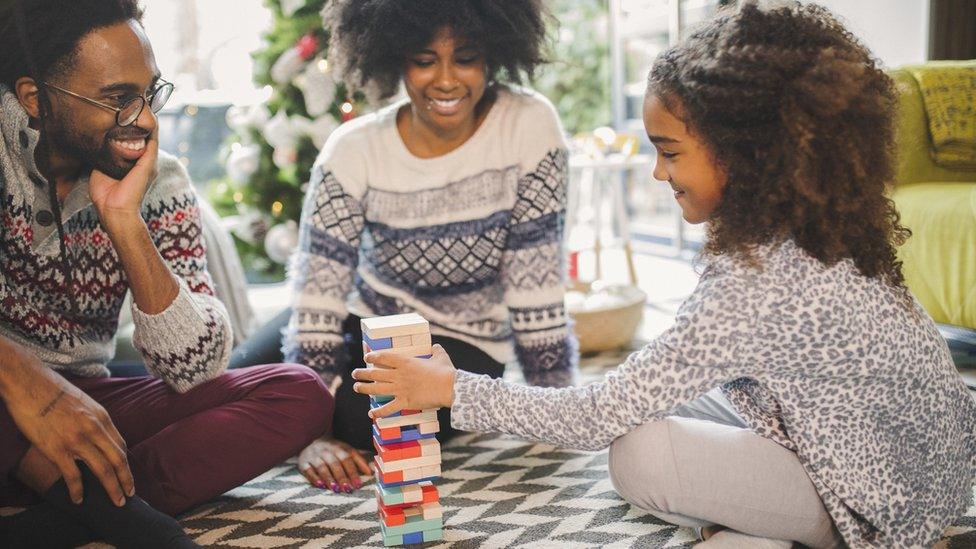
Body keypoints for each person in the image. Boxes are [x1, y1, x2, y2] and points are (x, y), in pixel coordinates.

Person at [351, 2, 976, 548]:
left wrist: (451, 389)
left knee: (637, 452)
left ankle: (791, 535)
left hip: (881, 505)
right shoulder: (822, 228)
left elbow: (595, 416)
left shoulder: (753, 287)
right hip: (917, 461)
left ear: (751, 154)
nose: (657, 173)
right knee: (672, 398)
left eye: (670, 151)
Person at [0, 1, 332, 546]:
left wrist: (125, 222)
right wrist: (29, 386)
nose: (146, 119)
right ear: (35, 98)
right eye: (116, 99)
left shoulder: (159, 181)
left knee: (297, 393)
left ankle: (63, 510)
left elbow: (195, 369)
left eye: (149, 93)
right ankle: (124, 517)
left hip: (91, 403)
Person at [230, 0, 579, 494]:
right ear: (394, 57)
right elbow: (317, 297)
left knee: (362, 421)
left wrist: (555, 406)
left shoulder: (527, 124)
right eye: (423, 59)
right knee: (237, 381)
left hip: (462, 341)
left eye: (466, 57)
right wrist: (310, 434)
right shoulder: (352, 149)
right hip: (367, 316)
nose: (445, 80)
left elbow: (535, 280)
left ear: (493, 56)